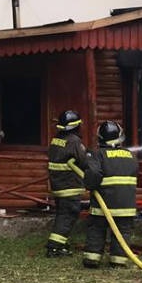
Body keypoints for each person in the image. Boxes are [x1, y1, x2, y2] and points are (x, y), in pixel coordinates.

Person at [81, 121, 138, 268]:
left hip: (103, 204)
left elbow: (93, 173)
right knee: (122, 232)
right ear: (120, 136)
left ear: (100, 137)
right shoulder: (130, 155)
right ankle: (118, 261)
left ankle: (92, 259)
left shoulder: (97, 154)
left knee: (97, 229)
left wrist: (89, 185)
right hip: (126, 206)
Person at [45, 110, 90, 258]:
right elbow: (83, 162)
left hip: (58, 185)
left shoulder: (56, 139)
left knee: (63, 214)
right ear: (76, 126)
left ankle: (60, 244)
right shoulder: (74, 141)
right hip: (69, 186)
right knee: (69, 215)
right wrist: (88, 155)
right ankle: (54, 247)